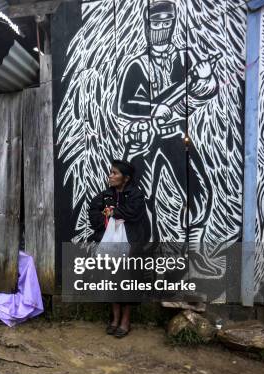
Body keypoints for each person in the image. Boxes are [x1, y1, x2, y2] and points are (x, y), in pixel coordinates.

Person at [116, 0, 218, 241]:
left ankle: (194, 255)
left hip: (175, 135)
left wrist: (205, 78)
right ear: (147, 26)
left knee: (200, 191)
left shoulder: (186, 57)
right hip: (146, 140)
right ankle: (144, 261)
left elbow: (205, 92)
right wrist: (154, 107)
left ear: (173, 24)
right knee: (139, 200)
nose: (161, 28)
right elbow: (123, 105)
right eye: (156, 23)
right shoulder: (137, 64)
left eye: (166, 22)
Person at [88, 160, 151, 338]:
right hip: (110, 244)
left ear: (126, 178)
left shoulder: (136, 195)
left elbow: (132, 213)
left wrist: (113, 212)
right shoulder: (106, 195)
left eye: (115, 173)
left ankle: (125, 321)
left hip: (130, 245)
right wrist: (105, 222)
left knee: (128, 282)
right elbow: (94, 211)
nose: (110, 176)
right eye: (111, 172)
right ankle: (115, 319)